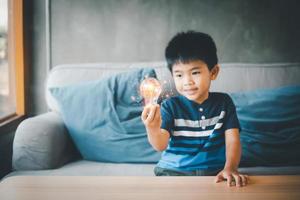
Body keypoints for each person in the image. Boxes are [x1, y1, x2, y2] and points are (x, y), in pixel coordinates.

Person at [141, 31, 249, 187]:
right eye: (179, 75)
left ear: (213, 72)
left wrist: (230, 168)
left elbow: (233, 141)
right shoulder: (170, 106)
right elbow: (160, 145)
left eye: (195, 72)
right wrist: (151, 127)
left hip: (214, 173)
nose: (187, 82)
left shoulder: (224, 103)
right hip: (172, 172)